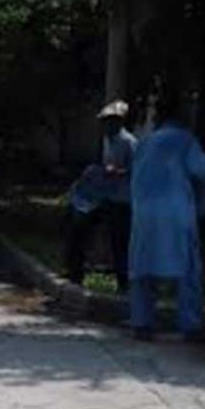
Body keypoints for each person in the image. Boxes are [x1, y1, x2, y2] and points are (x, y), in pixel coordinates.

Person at [128, 91, 205, 342]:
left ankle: (142, 324)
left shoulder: (145, 141)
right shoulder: (185, 140)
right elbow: (204, 171)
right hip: (176, 212)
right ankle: (190, 326)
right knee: (188, 271)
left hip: (144, 212)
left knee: (142, 269)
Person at [65, 100, 137, 289]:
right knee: (78, 228)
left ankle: (124, 283)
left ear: (119, 122)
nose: (106, 126)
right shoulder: (108, 142)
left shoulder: (129, 142)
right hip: (104, 198)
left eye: (110, 121)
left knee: (119, 242)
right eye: (104, 121)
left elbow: (137, 171)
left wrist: (117, 172)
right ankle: (75, 274)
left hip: (122, 200)